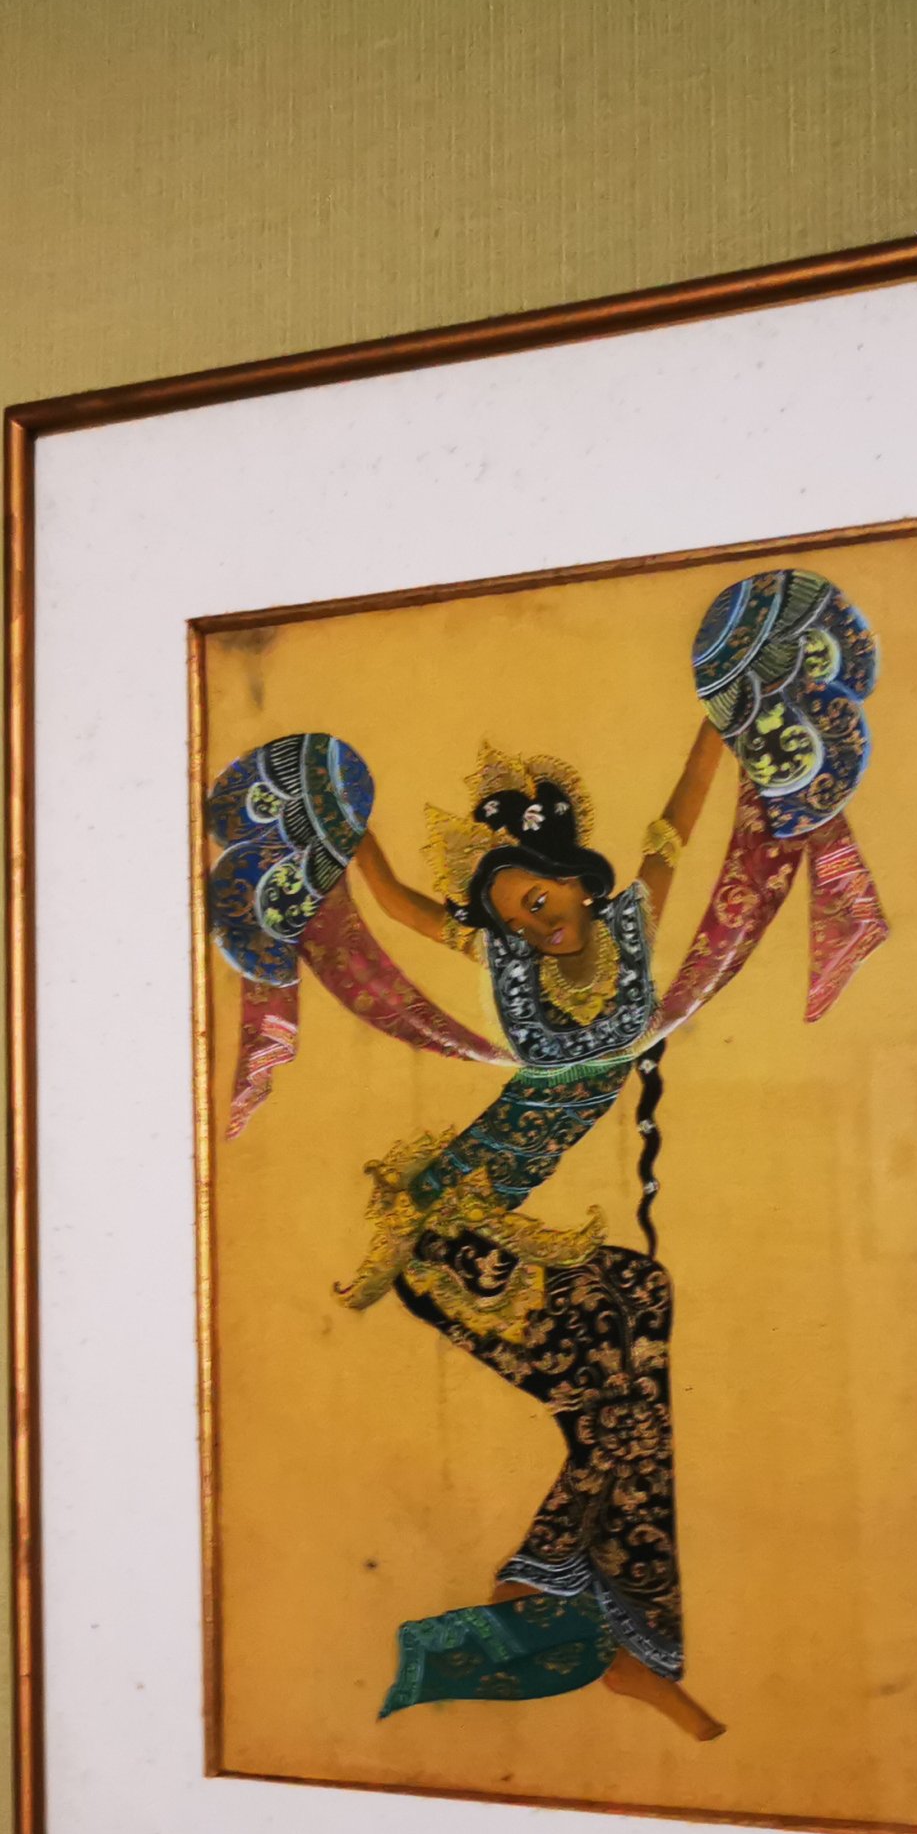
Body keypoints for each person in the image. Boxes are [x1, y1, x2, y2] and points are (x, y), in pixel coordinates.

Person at [337, 722, 727, 1741]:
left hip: (491, 1230)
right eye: (516, 914)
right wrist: (348, 830)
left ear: (576, 885)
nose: (537, 924)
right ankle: (550, 1605)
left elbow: (677, 821)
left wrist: (716, 724)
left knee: (640, 1303)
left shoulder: (632, 917)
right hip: (444, 1231)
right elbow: (396, 903)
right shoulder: (502, 954)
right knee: (612, 1397)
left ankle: (623, 1632)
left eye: (543, 900)